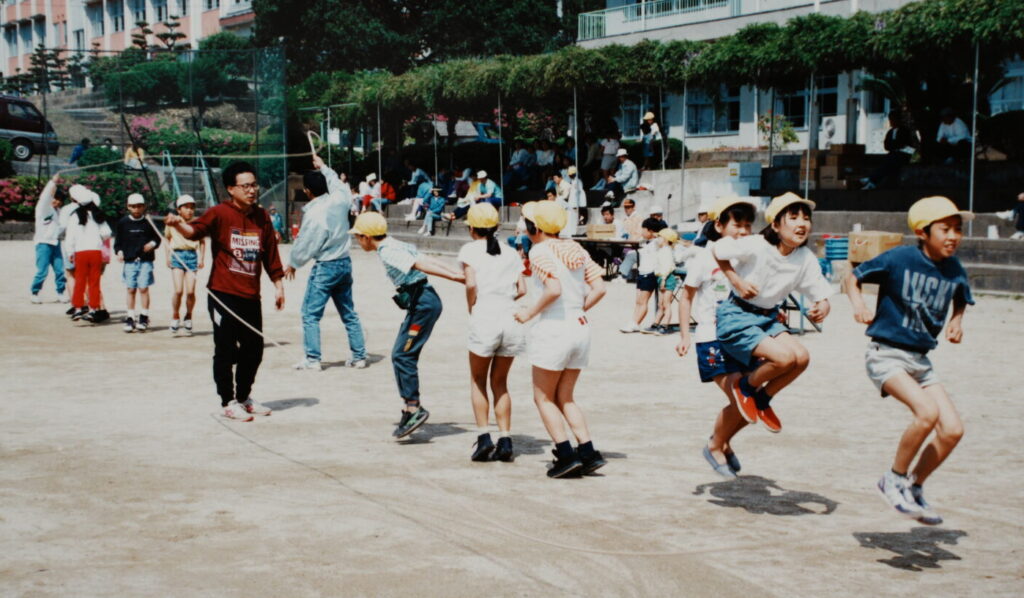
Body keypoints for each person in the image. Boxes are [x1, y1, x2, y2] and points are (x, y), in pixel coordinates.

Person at [846, 196, 973, 525]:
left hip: (920, 361)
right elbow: (853, 276)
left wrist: (956, 321)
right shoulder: (900, 258)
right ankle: (893, 478)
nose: (953, 236)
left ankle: (914, 487)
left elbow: (961, 298)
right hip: (886, 354)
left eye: (957, 229)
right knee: (927, 413)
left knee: (953, 430)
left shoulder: (954, 268)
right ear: (922, 231)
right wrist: (858, 304)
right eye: (945, 229)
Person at [164, 161, 284, 422]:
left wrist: (278, 284)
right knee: (226, 349)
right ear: (231, 189)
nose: (252, 190)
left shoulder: (262, 216)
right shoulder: (219, 213)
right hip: (223, 295)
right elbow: (194, 231)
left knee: (254, 349)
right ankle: (227, 401)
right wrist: (177, 224)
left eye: (254, 185)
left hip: (251, 296)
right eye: (246, 186)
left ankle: (244, 397)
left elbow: (271, 254)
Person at [712, 192, 833, 433]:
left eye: (806, 218)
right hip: (737, 317)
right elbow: (719, 249)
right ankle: (745, 387)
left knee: (801, 358)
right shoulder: (757, 245)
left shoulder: (804, 257)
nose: (802, 224)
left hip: (767, 318)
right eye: (794, 217)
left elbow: (819, 290)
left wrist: (823, 305)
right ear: (776, 224)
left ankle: (763, 398)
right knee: (784, 358)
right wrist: (736, 281)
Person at [349, 211, 465, 438]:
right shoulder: (393, 243)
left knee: (403, 355)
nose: (357, 241)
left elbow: (422, 264)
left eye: (358, 237)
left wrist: (455, 277)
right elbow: (427, 259)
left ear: (366, 237)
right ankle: (408, 406)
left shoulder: (387, 251)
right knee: (400, 354)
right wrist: (455, 272)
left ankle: (414, 407)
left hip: (423, 303)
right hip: (421, 301)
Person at [514, 201, 608, 478]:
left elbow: (553, 289)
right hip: (579, 326)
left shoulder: (540, 250)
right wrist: (577, 309)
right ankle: (588, 452)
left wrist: (529, 313)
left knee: (543, 397)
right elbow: (599, 288)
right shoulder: (575, 248)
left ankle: (565, 455)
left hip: (553, 327)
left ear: (536, 227)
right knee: (565, 396)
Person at [676, 196, 758, 479]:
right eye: (737, 224)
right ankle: (715, 446)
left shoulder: (747, 257)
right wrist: (685, 334)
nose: (744, 231)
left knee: (754, 398)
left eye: (748, 225)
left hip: (743, 336)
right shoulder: (704, 256)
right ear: (720, 225)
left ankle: (723, 441)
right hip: (712, 337)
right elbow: (685, 298)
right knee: (740, 396)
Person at [457, 203, 527, 462]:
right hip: (510, 317)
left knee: (478, 380)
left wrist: (471, 305)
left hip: (485, 316)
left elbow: (471, 283)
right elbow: (522, 289)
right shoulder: (510, 253)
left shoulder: (469, 250)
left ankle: (484, 436)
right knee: (500, 383)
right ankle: (506, 439)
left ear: (472, 228)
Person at [285, 154, 367, 371]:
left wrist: (293, 262)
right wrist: (324, 167)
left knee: (310, 314)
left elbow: (307, 243)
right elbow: (338, 185)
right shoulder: (340, 199)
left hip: (326, 266)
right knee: (348, 312)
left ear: (307, 192)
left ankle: (313, 359)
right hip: (344, 263)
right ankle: (359, 356)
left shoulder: (315, 214)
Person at [114, 193, 162, 332]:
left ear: (144, 207)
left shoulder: (148, 222)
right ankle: (130, 317)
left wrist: (152, 244)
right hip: (129, 261)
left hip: (145, 261)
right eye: (133, 206)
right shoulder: (123, 223)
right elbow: (118, 243)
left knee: (143, 288)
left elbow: (157, 238)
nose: (136, 209)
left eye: (139, 206)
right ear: (128, 207)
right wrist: (119, 252)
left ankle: (144, 316)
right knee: (130, 289)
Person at [64, 185, 111, 322]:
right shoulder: (97, 215)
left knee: (80, 281)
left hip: (80, 252)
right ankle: (93, 309)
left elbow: (69, 237)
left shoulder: (74, 216)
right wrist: (98, 239)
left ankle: (78, 308)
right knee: (94, 282)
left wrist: (69, 252)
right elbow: (107, 233)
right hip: (95, 252)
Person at [165, 195, 205, 336]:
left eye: (192, 207)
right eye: (186, 207)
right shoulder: (173, 222)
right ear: (179, 209)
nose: (189, 210)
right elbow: (167, 238)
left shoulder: (197, 222)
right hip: (177, 255)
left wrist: (202, 258)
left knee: (190, 291)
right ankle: (175, 315)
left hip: (192, 256)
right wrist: (167, 257)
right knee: (178, 290)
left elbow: (202, 242)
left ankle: (188, 316)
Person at [621, 217, 666, 333]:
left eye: (644, 229)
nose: (642, 231)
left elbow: (663, 239)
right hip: (641, 273)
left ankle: (636, 322)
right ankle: (633, 321)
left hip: (650, 274)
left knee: (643, 301)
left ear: (650, 230)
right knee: (638, 301)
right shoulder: (644, 241)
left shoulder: (657, 242)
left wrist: (657, 233)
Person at [31, 175, 67, 304]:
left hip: (55, 243)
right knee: (42, 271)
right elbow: (44, 197)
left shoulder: (60, 212)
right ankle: (34, 293)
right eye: (55, 199)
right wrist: (52, 182)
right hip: (43, 244)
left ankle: (60, 292)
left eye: (60, 201)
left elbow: (62, 226)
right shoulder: (43, 208)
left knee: (59, 269)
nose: (56, 202)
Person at [861, 111, 919, 190]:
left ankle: (872, 179)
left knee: (891, 161)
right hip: (894, 154)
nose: (891, 121)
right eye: (890, 119)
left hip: (904, 155)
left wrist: (895, 145)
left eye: (893, 119)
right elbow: (887, 145)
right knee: (887, 162)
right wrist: (895, 145)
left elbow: (902, 143)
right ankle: (872, 181)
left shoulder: (904, 131)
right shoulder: (890, 132)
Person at [650, 227, 681, 335]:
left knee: (666, 304)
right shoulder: (662, 250)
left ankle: (665, 325)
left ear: (666, 239)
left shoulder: (667, 251)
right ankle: (655, 323)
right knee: (661, 304)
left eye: (659, 237)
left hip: (667, 278)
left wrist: (663, 279)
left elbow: (667, 267)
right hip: (661, 278)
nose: (657, 239)